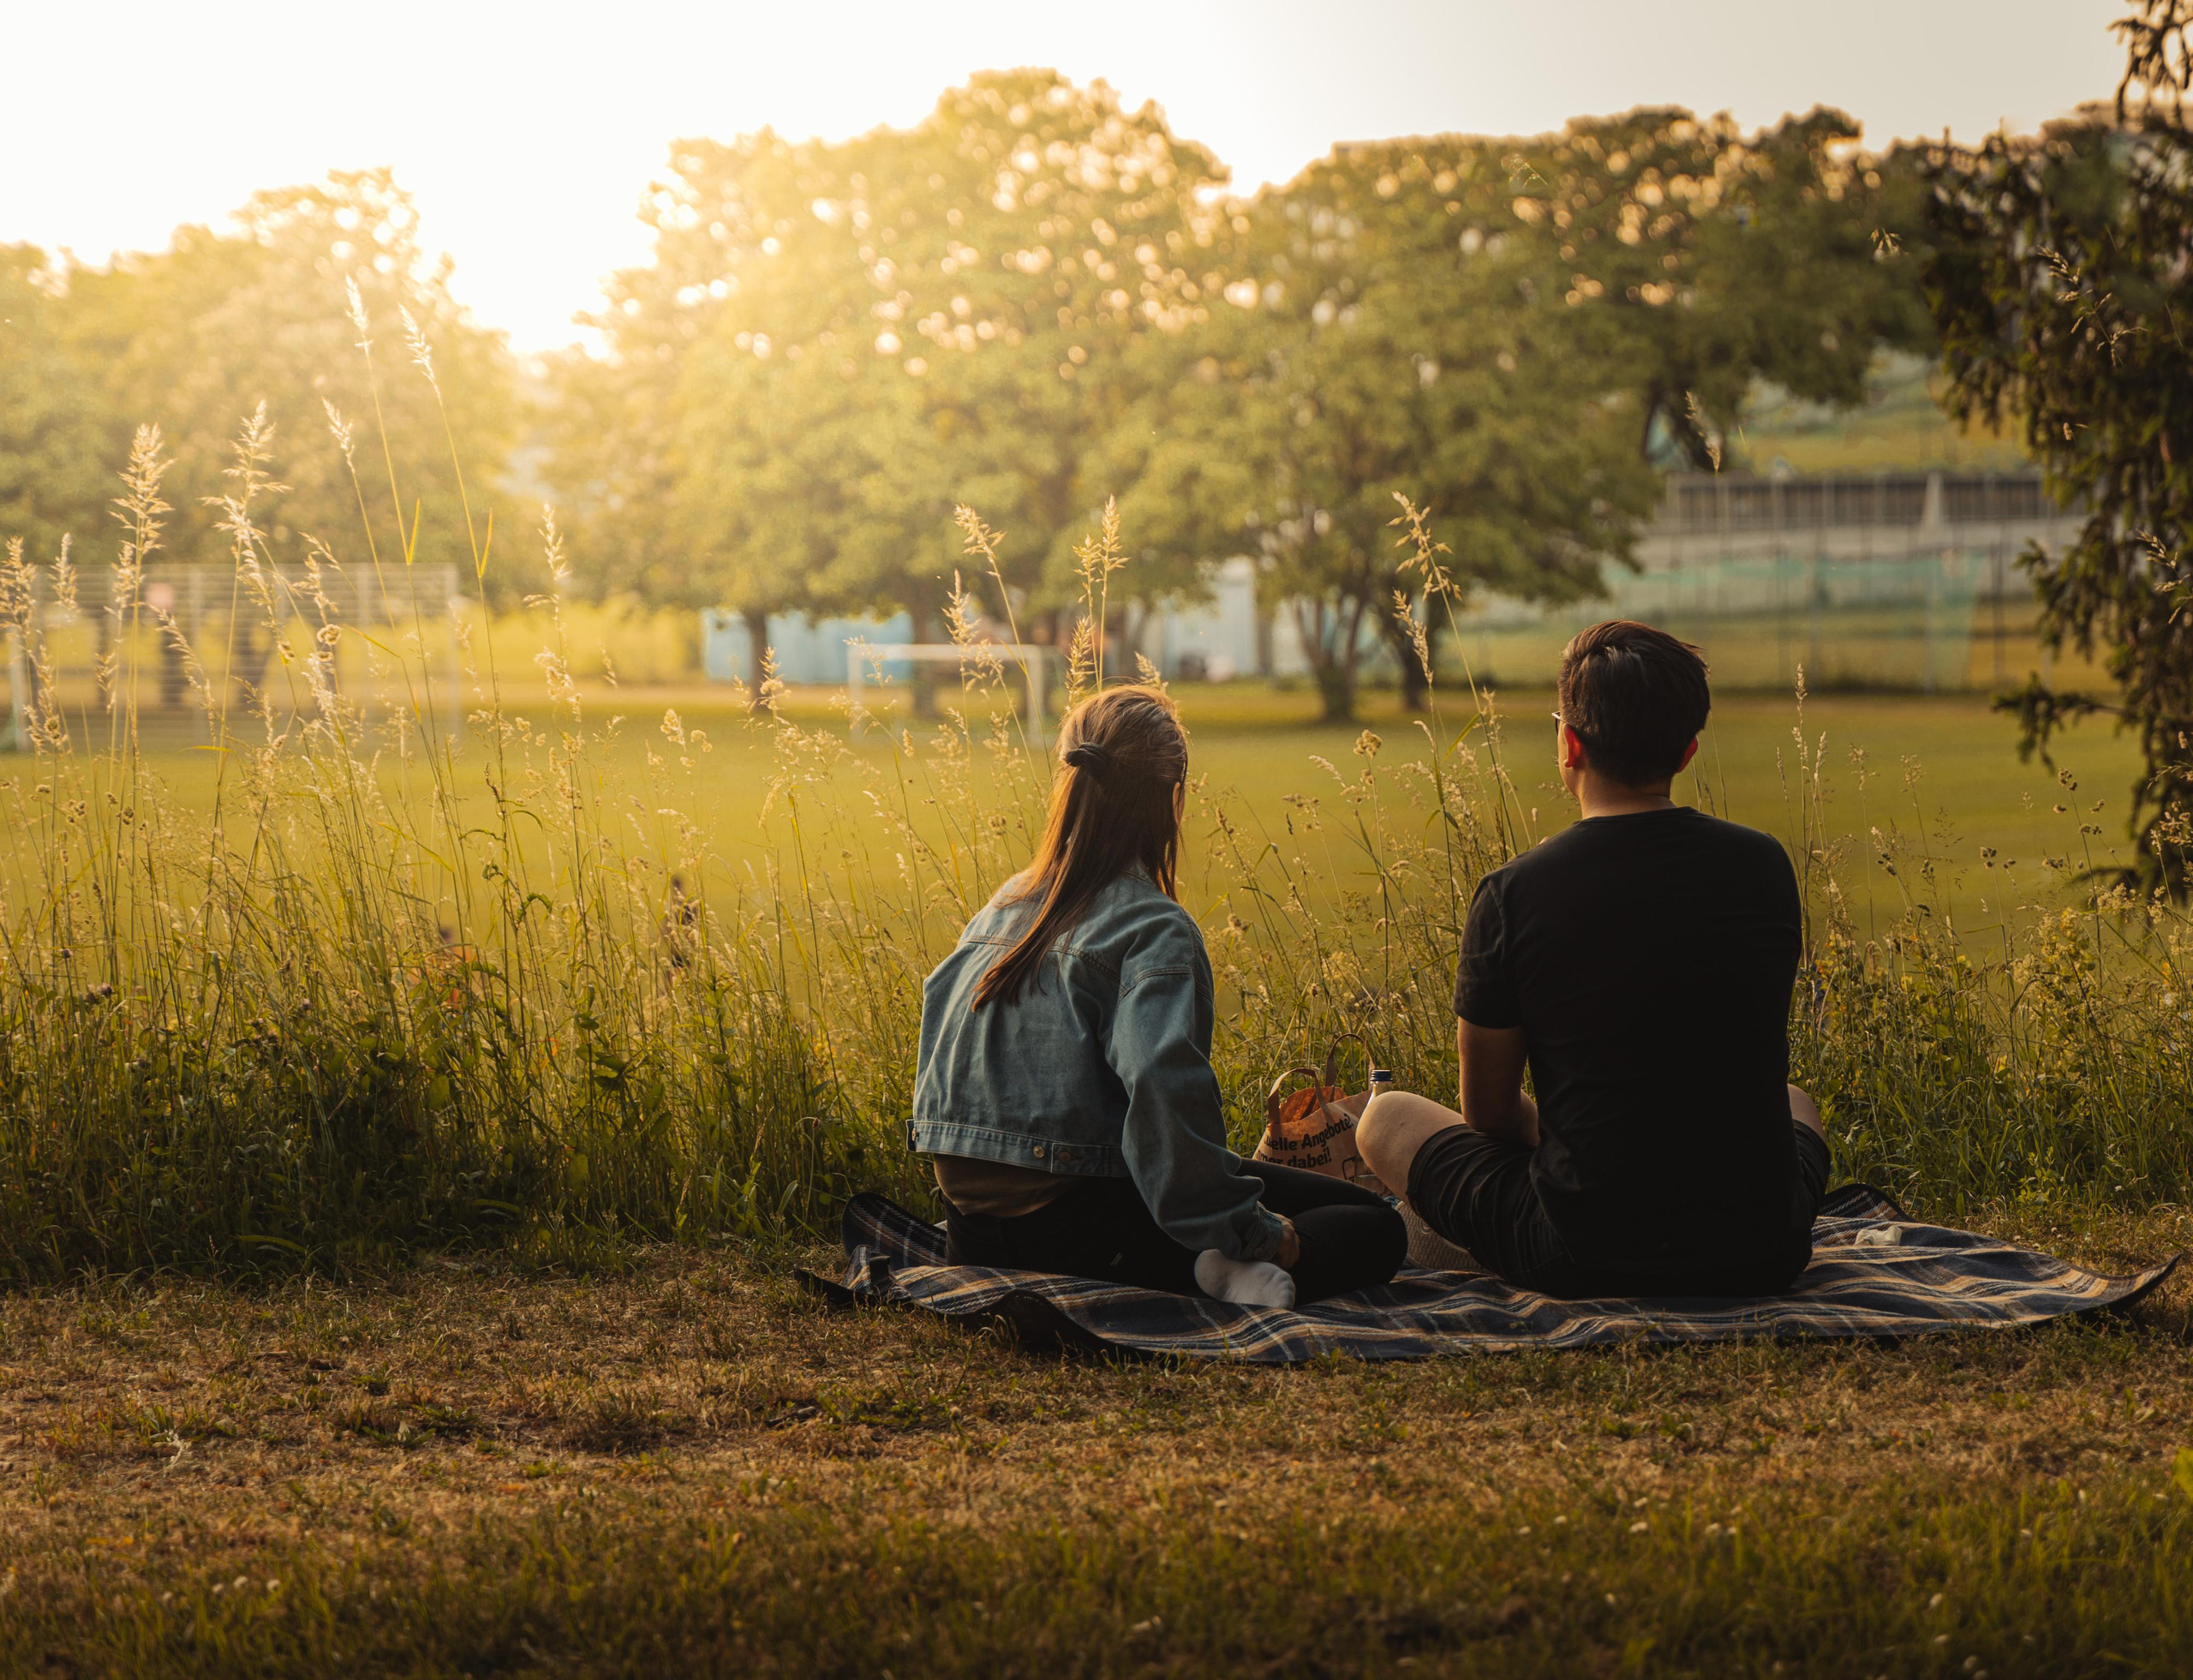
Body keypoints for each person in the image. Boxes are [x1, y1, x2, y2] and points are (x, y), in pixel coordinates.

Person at [1355, 620, 1829, 1298]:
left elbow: (1487, 1114)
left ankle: (1468, 1236)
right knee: (1795, 1101)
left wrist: (1569, 1136)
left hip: (1585, 1251)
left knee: (1385, 1117)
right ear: (1688, 750)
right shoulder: (1764, 866)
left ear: (1570, 743)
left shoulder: (1514, 892)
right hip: (1761, 1246)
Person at [912, 685, 1408, 1309]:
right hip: (1079, 1231)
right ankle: (1212, 1266)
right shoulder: (1154, 928)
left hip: (972, 1235)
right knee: (1375, 1224)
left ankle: (1204, 1259)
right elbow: (1163, 1104)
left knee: (1249, 1186)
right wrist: (1261, 1235)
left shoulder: (1004, 903)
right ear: (1171, 797)